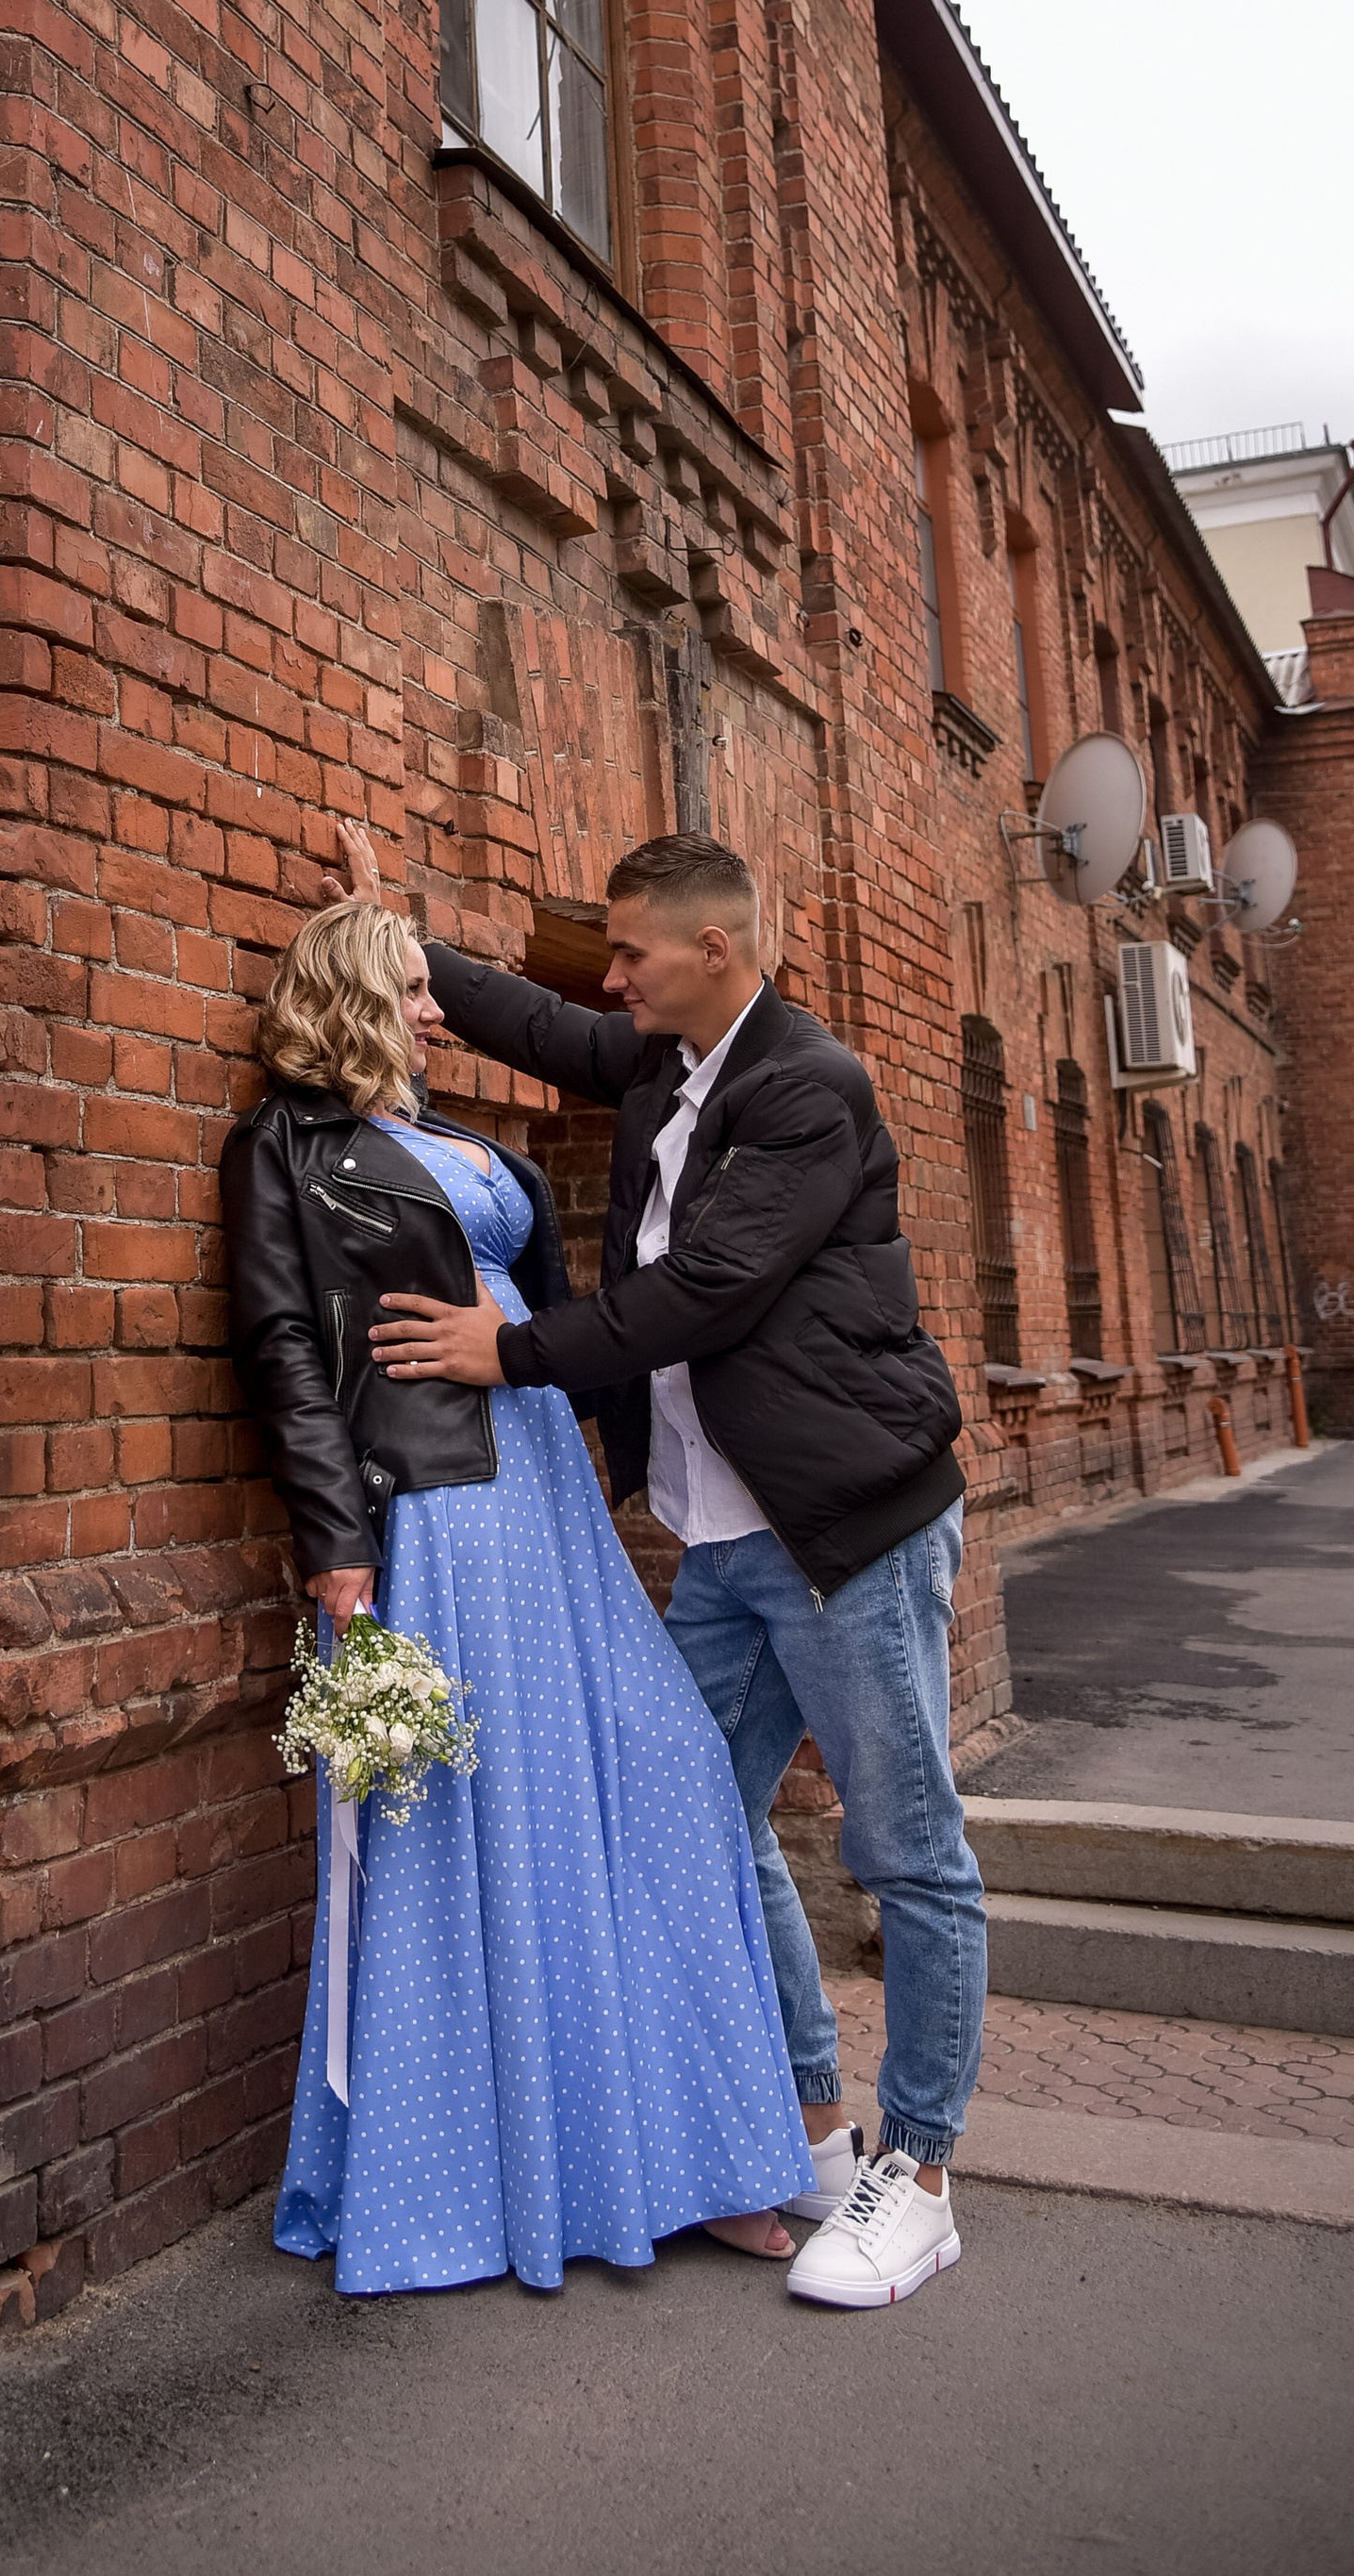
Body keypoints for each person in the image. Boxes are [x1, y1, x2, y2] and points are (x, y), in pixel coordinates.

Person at [346, 821, 986, 2313]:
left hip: (850, 1533)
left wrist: (503, 1350)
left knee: (906, 1847)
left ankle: (927, 2172)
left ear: (718, 948)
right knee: (689, 1800)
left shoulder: (810, 1089)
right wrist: (407, 951)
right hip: (724, 1539)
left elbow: (702, 1291)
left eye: (634, 951)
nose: (612, 973)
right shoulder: (661, 1063)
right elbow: (545, 1023)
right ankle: (814, 2119)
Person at [220, 893, 817, 2298]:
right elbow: (284, 1349)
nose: (439, 1013)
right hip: (436, 1503)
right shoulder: (286, 1146)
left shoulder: (446, 1135)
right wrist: (334, 1542)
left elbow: (535, 1299)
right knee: (470, 1825)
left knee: (660, 1774)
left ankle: (697, 2147)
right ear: (359, 999)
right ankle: (484, 2176)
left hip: (546, 1484)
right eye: (416, 992)